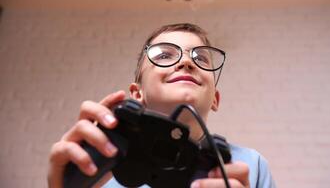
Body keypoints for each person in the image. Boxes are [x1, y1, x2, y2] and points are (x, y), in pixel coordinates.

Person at [48, 23, 276, 188]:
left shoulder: (251, 165)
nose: (187, 62)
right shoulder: (100, 164)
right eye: (165, 55)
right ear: (137, 93)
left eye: (201, 59)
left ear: (215, 99)